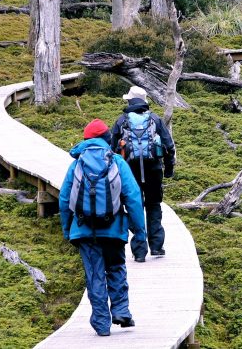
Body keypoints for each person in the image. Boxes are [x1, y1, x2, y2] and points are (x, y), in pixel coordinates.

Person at [59, 119, 146, 337]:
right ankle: (121, 311)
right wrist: (139, 231)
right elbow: (133, 197)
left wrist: (67, 229)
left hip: (84, 230)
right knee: (116, 267)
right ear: (106, 139)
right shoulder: (116, 161)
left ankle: (101, 323)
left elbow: (64, 199)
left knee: (94, 275)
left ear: (86, 140)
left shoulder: (76, 164)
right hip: (114, 229)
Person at [111, 86, 176, 262]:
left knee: (134, 207)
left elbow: (111, 149)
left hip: (129, 172)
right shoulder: (155, 119)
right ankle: (156, 247)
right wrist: (169, 170)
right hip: (154, 170)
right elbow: (169, 147)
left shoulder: (121, 121)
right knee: (154, 205)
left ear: (130, 101)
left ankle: (139, 251)